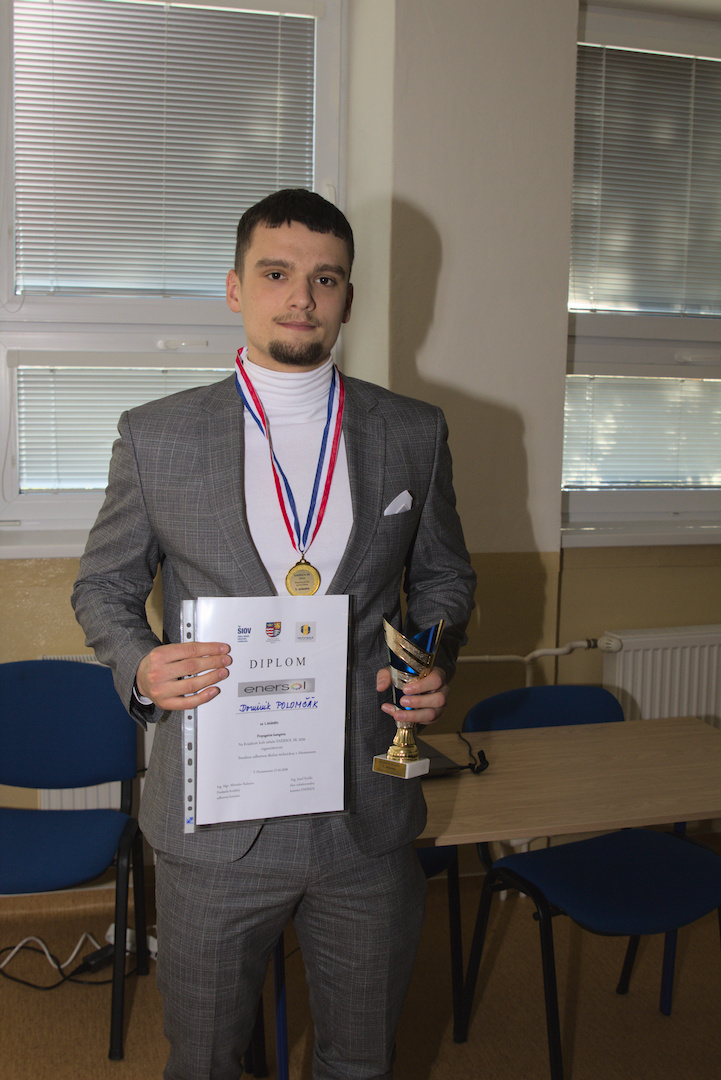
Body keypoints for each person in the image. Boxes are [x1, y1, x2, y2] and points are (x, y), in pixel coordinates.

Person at [72, 188, 476, 1080]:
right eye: (276, 273)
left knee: (360, 1058)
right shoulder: (156, 437)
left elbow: (444, 576)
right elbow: (103, 585)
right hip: (215, 820)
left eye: (324, 278)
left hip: (364, 816)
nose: (301, 296)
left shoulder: (413, 433)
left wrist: (428, 655)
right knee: (206, 1058)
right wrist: (141, 666)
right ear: (234, 289)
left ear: (347, 296)